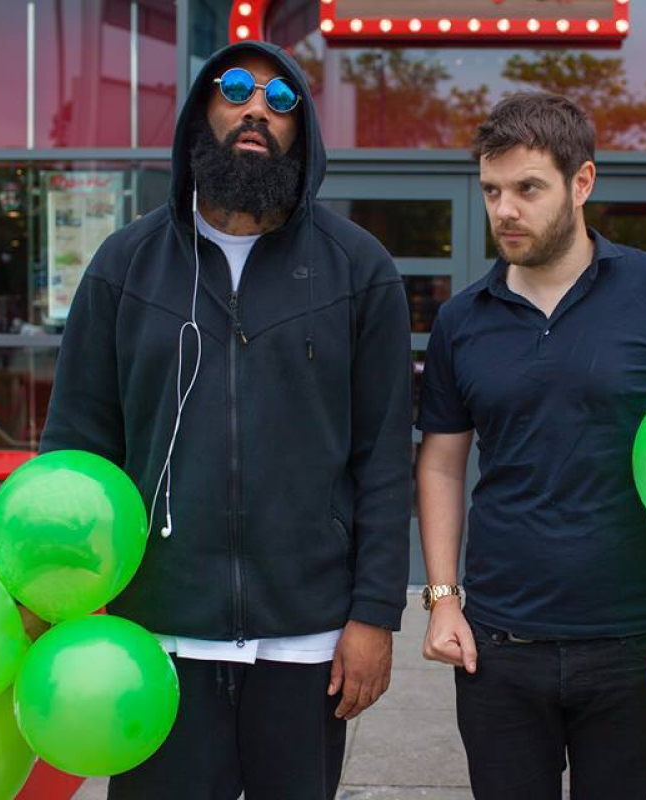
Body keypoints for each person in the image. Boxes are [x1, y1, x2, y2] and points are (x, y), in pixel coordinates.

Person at [40, 41, 411, 800]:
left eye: (282, 103)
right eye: (236, 89)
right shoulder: (124, 265)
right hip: (157, 638)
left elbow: (382, 458)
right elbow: (76, 449)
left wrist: (375, 615)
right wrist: (58, 600)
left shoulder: (358, 269)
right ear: (200, 112)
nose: (256, 110)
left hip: (307, 641)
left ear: (300, 134)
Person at [416, 92, 646, 799]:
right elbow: (441, 461)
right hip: (498, 646)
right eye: (492, 190)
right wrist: (443, 598)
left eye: (528, 188)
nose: (505, 210)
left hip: (633, 640)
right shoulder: (462, 318)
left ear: (582, 182)